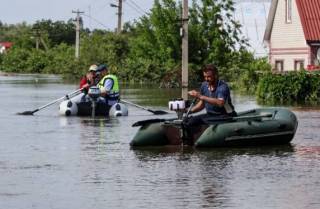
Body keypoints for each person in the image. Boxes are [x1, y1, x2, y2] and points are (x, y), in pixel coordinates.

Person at [184, 64, 236, 144]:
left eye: (209, 77)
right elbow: (202, 105)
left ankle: (194, 143)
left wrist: (199, 96)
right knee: (187, 120)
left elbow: (220, 103)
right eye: (205, 77)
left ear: (215, 75)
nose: (206, 79)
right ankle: (188, 143)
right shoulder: (204, 85)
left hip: (224, 115)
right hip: (211, 115)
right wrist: (188, 110)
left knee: (194, 121)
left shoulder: (222, 87)